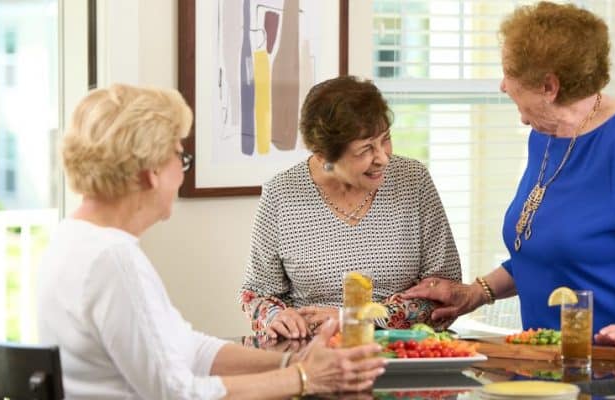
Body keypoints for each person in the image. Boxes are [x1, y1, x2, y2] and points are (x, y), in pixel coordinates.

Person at [403, 2, 615, 361]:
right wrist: (476, 292)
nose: (503, 86)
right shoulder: (547, 136)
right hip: (556, 366)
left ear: (549, 86)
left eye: (509, 74)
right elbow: (550, 251)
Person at [37, 84, 386, 399]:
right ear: (151, 172)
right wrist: (305, 378)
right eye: (180, 157)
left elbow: (188, 349)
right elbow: (177, 393)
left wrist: (290, 362)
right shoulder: (113, 260)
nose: (181, 171)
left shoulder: (74, 240)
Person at [239, 76, 462, 340]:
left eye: (385, 139)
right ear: (324, 156)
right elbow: (257, 293)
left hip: (404, 354)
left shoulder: (412, 180)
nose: (382, 157)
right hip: (313, 355)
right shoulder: (282, 194)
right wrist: (276, 317)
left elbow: (446, 293)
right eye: (365, 150)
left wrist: (359, 319)